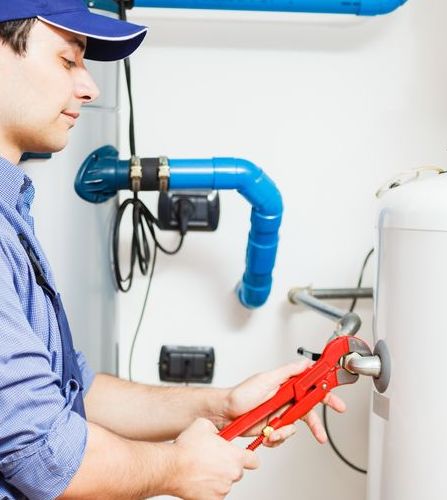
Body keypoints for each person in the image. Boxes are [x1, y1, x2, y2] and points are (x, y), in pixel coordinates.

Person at [0, 1, 346, 499]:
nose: (89, 86)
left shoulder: (12, 209)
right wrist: (177, 468)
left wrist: (222, 404)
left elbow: (76, 390)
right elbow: (45, 455)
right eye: (67, 60)